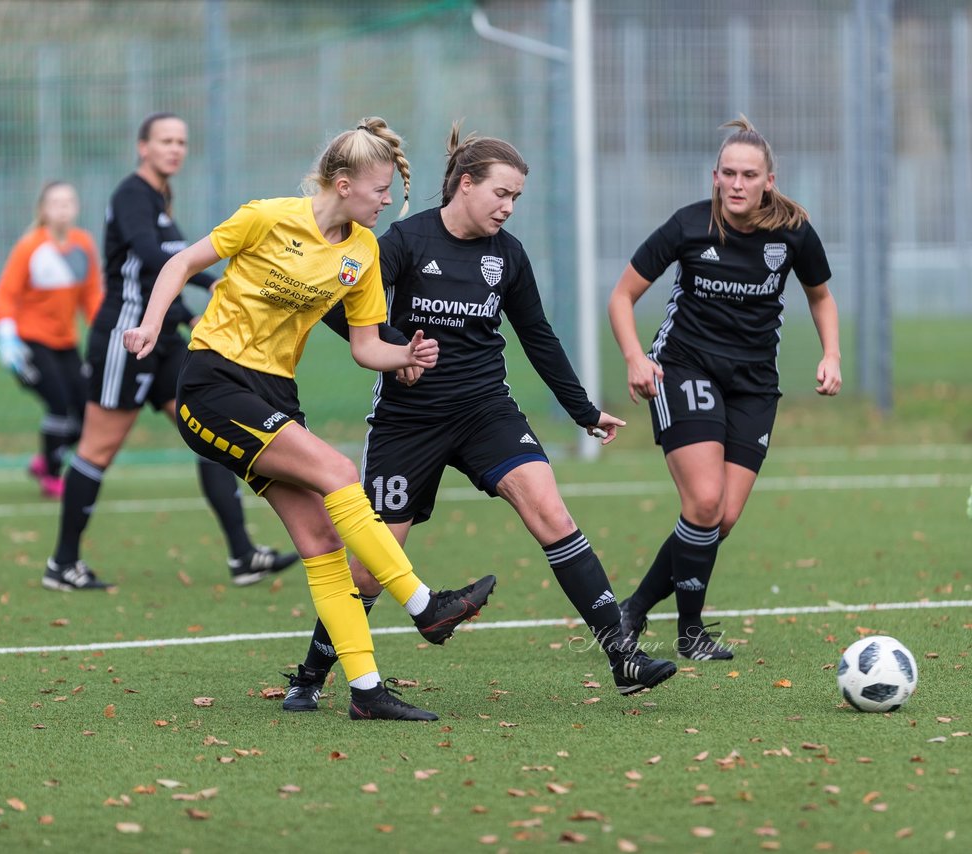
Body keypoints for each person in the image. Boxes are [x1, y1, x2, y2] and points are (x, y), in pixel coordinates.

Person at [281, 124, 678, 713]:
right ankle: (312, 675)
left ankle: (622, 655)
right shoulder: (404, 242)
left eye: (517, 198)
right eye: (502, 194)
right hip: (407, 421)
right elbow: (346, 312)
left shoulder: (507, 256)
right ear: (465, 185)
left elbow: (537, 336)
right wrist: (398, 355)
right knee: (369, 567)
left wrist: (583, 410)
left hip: (485, 409)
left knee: (550, 509)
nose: (509, 208)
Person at [123, 117, 497, 721]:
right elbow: (179, 265)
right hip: (214, 381)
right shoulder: (267, 217)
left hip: (275, 394)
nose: (387, 202)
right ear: (344, 184)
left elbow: (364, 346)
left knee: (322, 542)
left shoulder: (363, 251)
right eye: (380, 191)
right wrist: (148, 323)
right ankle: (424, 603)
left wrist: (403, 354)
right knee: (338, 469)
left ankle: (368, 691)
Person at [607, 115, 841, 660]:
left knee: (721, 518)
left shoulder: (793, 232)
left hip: (755, 384)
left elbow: (821, 296)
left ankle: (633, 610)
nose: (738, 184)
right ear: (715, 176)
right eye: (729, 174)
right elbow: (622, 297)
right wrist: (634, 358)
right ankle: (691, 634)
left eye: (749, 175)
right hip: (684, 368)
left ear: (769, 180)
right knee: (705, 499)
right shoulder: (688, 226)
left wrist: (831, 354)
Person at [43, 112, 298, 592]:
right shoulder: (131, 195)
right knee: (97, 449)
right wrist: (208, 279)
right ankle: (62, 564)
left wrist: (183, 315)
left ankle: (243, 555)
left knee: (209, 432)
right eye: (165, 140)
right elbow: (154, 256)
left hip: (162, 338)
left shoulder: (160, 200)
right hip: (128, 337)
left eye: (181, 140)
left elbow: (156, 271)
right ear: (143, 147)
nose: (175, 148)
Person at [0, 180, 102, 499]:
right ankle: (52, 477)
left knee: (85, 414)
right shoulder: (30, 247)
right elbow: (5, 294)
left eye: (68, 202)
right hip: (31, 343)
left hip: (65, 344)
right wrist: (6, 337)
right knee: (58, 403)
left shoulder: (83, 244)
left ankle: (44, 460)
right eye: (55, 203)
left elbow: (92, 295)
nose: (63, 209)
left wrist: (104, 331)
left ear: (76, 207)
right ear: (43, 210)